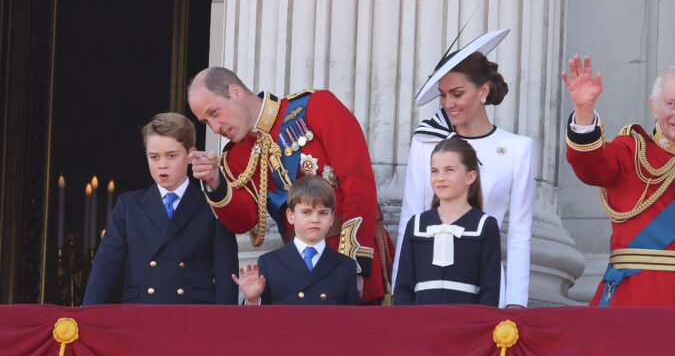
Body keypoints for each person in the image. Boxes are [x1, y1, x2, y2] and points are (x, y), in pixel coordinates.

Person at [187, 67, 389, 303]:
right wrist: (216, 181)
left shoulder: (314, 107)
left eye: (214, 112)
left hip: (346, 259)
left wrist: (354, 264)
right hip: (297, 278)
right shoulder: (236, 157)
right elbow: (243, 221)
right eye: (206, 121)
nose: (215, 127)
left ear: (236, 92)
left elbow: (359, 183)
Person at [561, 57, 675, 307]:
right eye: (671, 103)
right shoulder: (631, 151)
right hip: (629, 306)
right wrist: (584, 112)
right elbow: (590, 166)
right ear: (654, 107)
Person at [395, 29, 531, 307]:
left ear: (483, 91)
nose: (448, 104)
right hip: (429, 287)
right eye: (443, 95)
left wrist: (516, 302)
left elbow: (520, 233)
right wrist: (399, 300)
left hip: (487, 287)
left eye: (457, 93)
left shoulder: (518, 148)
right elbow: (410, 217)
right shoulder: (426, 142)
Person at [83, 113, 239, 305]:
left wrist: (225, 326)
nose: (162, 165)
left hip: (194, 316)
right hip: (141, 315)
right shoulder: (128, 206)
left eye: (172, 156)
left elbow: (225, 273)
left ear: (191, 155)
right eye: (154, 157)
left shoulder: (212, 205)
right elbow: (106, 265)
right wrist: (86, 315)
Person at [394, 138, 502, 305]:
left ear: (470, 177)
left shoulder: (485, 226)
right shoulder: (416, 225)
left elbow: (490, 291)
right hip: (421, 324)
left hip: (466, 325)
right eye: (434, 171)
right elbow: (403, 289)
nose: (440, 178)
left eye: (449, 170)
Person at [234, 176, 361, 305]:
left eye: (322, 213)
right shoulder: (270, 263)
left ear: (332, 219)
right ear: (291, 216)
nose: (315, 219)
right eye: (306, 212)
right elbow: (257, 322)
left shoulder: (345, 266)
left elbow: (351, 321)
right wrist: (253, 300)